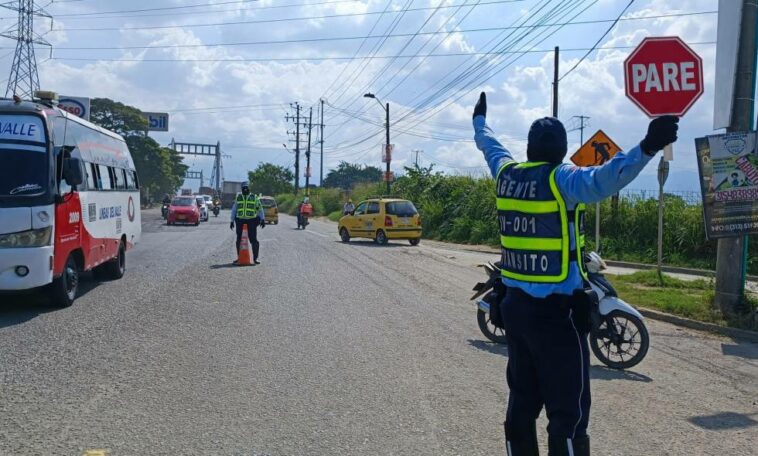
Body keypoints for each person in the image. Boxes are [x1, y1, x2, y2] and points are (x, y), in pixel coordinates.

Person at [472, 92, 678, 456]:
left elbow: (491, 147)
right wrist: (647, 145)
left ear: (530, 148)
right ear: (563, 149)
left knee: (522, 401)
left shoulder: (506, 175)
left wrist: (479, 122)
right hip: (558, 315)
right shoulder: (563, 179)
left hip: (515, 311)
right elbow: (606, 177)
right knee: (569, 412)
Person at [229, 184, 265, 264]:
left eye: (246, 188)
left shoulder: (254, 197)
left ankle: (255, 259)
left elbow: (260, 208)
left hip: (251, 221)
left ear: (249, 189)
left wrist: (262, 219)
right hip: (240, 221)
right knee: (239, 240)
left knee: (253, 240)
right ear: (242, 189)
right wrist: (232, 221)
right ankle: (239, 257)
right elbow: (234, 209)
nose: (245, 190)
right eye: (243, 188)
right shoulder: (239, 197)